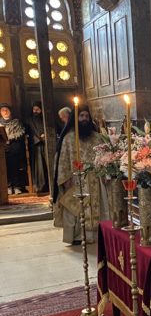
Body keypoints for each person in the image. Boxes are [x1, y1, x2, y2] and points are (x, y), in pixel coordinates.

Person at [53, 105, 108, 244]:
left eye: (86, 116)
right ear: (76, 118)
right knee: (76, 208)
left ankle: (98, 235)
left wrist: (104, 174)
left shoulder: (97, 137)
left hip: (95, 178)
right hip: (76, 179)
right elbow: (63, 159)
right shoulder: (69, 138)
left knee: (98, 206)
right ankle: (78, 236)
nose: (84, 119)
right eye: (81, 116)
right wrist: (66, 178)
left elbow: (104, 157)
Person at [0, 103, 28, 194]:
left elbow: (21, 133)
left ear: (10, 111)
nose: (5, 112)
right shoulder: (0, 123)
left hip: (15, 147)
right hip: (3, 149)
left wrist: (9, 138)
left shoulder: (16, 122)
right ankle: (8, 186)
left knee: (15, 166)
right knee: (5, 167)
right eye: (3, 110)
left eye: (6, 110)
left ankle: (16, 186)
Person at [24, 101, 49, 193]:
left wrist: (46, 135)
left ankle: (50, 185)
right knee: (39, 167)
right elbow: (27, 132)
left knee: (47, 165)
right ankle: (40, 187)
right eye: (34, 109)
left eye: (37, 109)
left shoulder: (46, 118)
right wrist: (38, 138)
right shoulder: (29, 120)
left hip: (46, 145)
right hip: (36, 145)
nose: (35, 111)